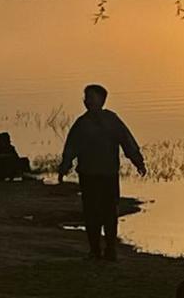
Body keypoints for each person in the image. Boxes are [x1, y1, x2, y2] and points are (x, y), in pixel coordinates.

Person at [57, 83, 147, 261]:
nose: (86, 100)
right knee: (91, 212)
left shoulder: (112, 121)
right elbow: (71, 147)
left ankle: (111, 249)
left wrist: (138, 161)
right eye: (86, 97)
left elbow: (126, 141)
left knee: (110, 212)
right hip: (88, 174)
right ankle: (95, 250)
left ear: (101, 100)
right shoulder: (82, 124)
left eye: (90, 97)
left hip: (108, 174)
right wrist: (64, 167)